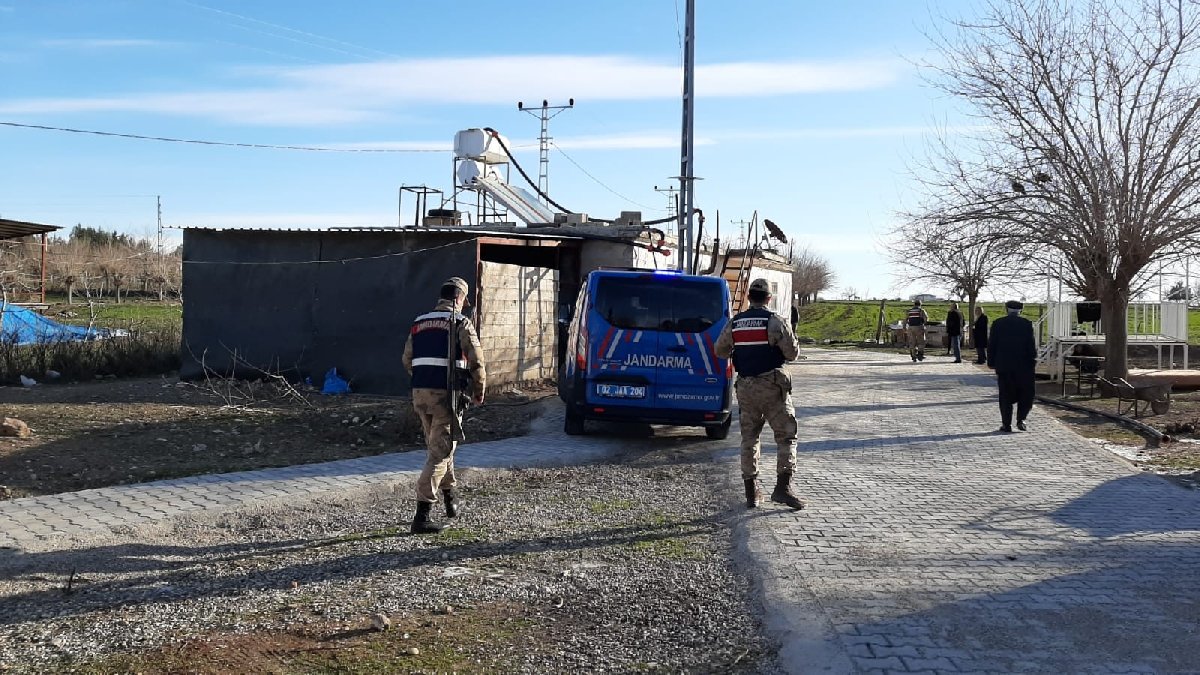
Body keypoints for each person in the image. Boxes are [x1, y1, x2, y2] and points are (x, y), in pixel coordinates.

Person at [402, 276, 487, 534]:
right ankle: (422, 515)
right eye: (464, 300)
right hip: (446, 397)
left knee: (441, 445)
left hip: (420, 394)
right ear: (459, 298)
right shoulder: (460, 322)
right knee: (440, 452)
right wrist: (479, 391)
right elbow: (476, 361)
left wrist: (424, 380)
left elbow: (407, 359)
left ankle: (450, 499)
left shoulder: (419, 322)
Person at [714, 278, 805, 510]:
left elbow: (720, 350)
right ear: (768, 298)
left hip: (746, 388)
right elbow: (792, 353)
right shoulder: (775, 322)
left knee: (749, 438)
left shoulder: (735, 323)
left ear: (748, 297)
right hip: (773, 388)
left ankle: (751, 493)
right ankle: (783, 488)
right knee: (786, 436)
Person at [987, 300, 1036, 432]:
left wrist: (991, 362)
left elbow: (992, 344)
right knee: (1025, 394)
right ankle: (1021, 419)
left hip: (1004, 365)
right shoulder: (1026, 324)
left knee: (1005, 396)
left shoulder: (998, 323)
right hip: (1023, 366)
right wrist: (1033, 360)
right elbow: (1031, 345)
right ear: (1021, 310)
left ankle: (1006, 424)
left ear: (1006, 309)